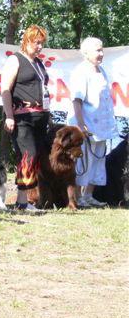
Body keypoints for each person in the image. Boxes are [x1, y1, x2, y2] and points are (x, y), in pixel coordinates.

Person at [1, 25, 50, 211]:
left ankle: (22, 201)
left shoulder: (38, 63)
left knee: (31, 157)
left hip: (40, 116)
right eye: (36, 43)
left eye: (42, 44)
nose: (39, 47)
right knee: (28, 155)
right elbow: (4, 89)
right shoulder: (15, 60)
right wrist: (9, 116)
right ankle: (25, 200)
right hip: (22, 117)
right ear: (27, 41)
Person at [67, 37, 117, 207]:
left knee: (98, 161)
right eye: (97, 50)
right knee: (83, 161)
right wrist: (80, 125)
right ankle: (79, 197)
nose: (101, 53)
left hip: (102, 126)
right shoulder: (81, 71)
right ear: (86, 53)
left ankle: (89, 195)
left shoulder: (102, 71)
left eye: (102, 50)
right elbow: (77, 100)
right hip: (86, 125)